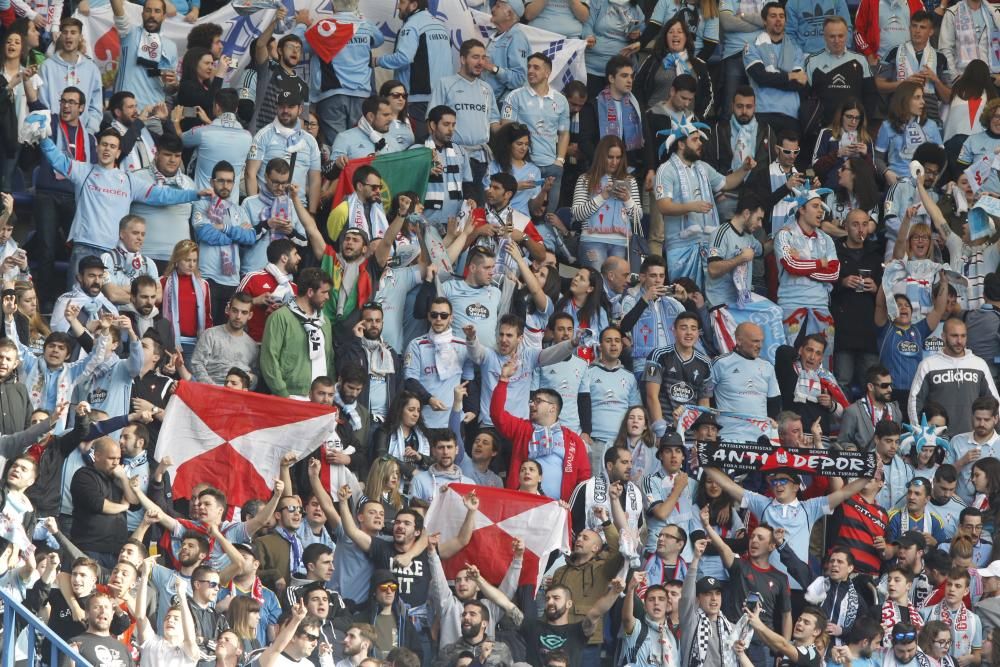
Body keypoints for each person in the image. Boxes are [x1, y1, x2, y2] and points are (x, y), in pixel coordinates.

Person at [37, 127, 205, 284]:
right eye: (104, 144)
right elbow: (57, 160)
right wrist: (43, 137)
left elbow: (162, 195)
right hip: (84, 248)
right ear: (97, 148)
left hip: (114, 253)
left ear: (118, 153)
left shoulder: (129, 180)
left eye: (112, 146)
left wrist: (194, 194)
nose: (107, 149)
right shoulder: (83, 171)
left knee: (110, 307)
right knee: (77, 301)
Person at [655, 116, 755, 288]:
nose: (700, 143)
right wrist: (691, 207)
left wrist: (744, 169)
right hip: (681, 246)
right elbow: (663, 206)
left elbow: (727, 183)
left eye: (700, 139)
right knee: (685, 295)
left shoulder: (702, 167)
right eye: (694, 140)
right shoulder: (666, 170)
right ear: (681, 144)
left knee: (709, 298)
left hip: (708, 243)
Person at [493, 356, 591, 501]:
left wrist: (573, 510)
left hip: (557, 510)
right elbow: (497, 415)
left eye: (538, 401)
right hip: (521, 506)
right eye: (532, 401)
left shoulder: (573, 440)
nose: (532, 404)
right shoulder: (522, 428)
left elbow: (584, 480)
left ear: (553, 408)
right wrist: (503, 380)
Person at [774, 187, 840, 364]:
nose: (820, 211)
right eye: (816, 206)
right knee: (790, 363)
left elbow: (834, 273)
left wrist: (802, 264)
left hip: (821, 308)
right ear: (801, 209)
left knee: (822, 365)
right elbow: (790, 266)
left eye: (822, 208)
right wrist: (820, 263)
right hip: (791, 307)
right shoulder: (784, 235)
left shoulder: (826, 239)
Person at [500, 52, 569, 213]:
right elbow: (506, 130)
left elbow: (564, 133)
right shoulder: (514, 96)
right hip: (524, 166)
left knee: (547, 216)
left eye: (536, 67)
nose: (530, 70)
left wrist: (559, 160)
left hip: (551, 166)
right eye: (529, 67)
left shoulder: (561, 100)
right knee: (520, 213)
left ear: (547, 72)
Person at [373, 0, 453, 137]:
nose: (398, 6)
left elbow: (403, 58)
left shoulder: (411, 26)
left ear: (414, 5)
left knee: (417, 145)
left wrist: (377, 60)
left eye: (402, 2)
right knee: (435, 146)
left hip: (417, 99)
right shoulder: (441, 26)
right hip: (441, 96)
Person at [309, 0, 384, 145]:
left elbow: (299, 44)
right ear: (356, 5)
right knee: (360, 147)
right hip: (362, 96)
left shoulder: (325, 27)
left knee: (338, 149)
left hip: (332, 96)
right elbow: (379, 40)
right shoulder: (366, 26)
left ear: (332, 5)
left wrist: (301, 24)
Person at [909, 318, 999, 434]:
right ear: (943, 336)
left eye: (963, 336)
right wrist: (920, 432)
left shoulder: (979, 364)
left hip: (971, 438)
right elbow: (915, 400)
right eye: (954, 336)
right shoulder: (928, 365)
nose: (959, 341)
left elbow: (994, 402)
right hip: (938, 437)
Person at [191, 160, 256, 318]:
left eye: (229, 181)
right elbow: (204, 234)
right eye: (220, 181)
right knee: (207, 328)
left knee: (227, 331)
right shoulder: (201, 205)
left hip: (232, 280)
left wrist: (225, 228)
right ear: (212, 182)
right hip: (209, 278)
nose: (225, 185)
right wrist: (236, 235)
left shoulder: (238, 210)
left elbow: (251, 238)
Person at [246, 87, 321, 216]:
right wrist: (255, 208)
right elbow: (250, 174)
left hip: (298, 209)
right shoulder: (263, 135)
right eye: (281, 106)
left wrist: (312, 214)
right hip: (266, 208)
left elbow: (315, 179)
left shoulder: (310, 141)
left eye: (290, 107)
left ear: (300, 110)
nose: (285, 111)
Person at [260, 267, 335, 398]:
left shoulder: (325, 321)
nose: (328, 297)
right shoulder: (280, 317)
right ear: (310, 292)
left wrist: (329, 395)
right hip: (292, 396)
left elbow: (330, 360)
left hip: (321, 399)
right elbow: (269, 360)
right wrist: (283, 394)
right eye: (324, 292)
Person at [571, 136, 641, 272]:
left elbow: (637, 217)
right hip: (592, 240)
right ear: (601, 156)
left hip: (621, 242)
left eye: (618, 157)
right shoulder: (585, 179)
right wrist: (602, 196)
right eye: (610, 157)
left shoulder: (630, 180)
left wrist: (627, 199)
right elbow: (577, 214)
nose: (614, 162)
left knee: (616, 285)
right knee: (597, 283)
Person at [875, 11, 952, 123]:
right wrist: (903, 84)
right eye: (914, 26)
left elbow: (948, 98)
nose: (917, 31)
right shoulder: (894, 52)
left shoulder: (940, 57)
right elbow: (879, 85)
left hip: (930, 117)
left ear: (931, 32)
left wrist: (936, 80)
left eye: (922, 27)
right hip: (899, 115)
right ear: (909, 28)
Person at [709, 322, 781, 441]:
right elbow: (706, 397)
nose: (760, 345)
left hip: (761, 439)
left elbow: (774, 403)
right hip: (729, 436)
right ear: (739, 341)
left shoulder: (768, 367)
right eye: (755, 341)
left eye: (761, 341)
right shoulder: (721, 363)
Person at [178, 88, 253, 203]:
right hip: (230, 208)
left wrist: (175, 120)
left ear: (217, 107)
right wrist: (209, 122)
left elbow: (180, 139)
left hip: (202, 205)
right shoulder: (248, 137)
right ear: (236, 109)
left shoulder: (203, 133)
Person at [743, 2, 806, 135]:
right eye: (773, 16)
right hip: (763, 112)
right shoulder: (752, 46)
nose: (778, 20)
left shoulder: (795, 49)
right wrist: (789, 75)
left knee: (789, 155)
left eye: (781, 16)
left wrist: (772, 77)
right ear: (764, 21)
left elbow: (797, 84)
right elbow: (760, 77)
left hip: (791, 114)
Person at [804, 17, 878, 129]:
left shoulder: (861, 60)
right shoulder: (812, 61)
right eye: (832, 36)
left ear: (847, 35)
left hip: (854, 127)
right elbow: (805, 96)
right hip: (823, 128)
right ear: (824, 36)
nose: (837, 40)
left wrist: (863, 122)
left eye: (840, 36)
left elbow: (870, 95)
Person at [38, 18, 102, 134]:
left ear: (80, 37)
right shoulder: (47, 66)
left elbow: (96, 105)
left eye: (73, 32)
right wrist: (51, 129)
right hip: (54, 133)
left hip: (83, 134)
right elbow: (43, 103)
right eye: (65, 32)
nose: (68, 36)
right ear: (60, 36)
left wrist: (89, 131)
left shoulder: (92, 69)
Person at [109, 0, 176, 109]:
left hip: (154, 113)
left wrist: (173, 84)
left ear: (164, 16)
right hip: (125, 111)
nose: (152, 15)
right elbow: (118, 12)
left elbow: (170, 90)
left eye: (157, 11)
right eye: (148, 10)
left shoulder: (171, 46)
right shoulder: (129, 33)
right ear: (142, 13)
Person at [876, 81, 945, 186]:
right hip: (897, 183)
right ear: (904, 100)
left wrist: (934, 178)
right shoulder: (887, 126)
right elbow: (877, 158)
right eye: (917, 97)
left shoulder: (931, 125)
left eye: (922, 97)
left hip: (924, 185)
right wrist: (887, 173)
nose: (923, 102)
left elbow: (942, 158)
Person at [418, 105, 473, 229]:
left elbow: (467, 182)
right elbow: (408, 184)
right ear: (433, 125)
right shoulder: (417, 151)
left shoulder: (460, 151)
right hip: (425, 223)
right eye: (446, 124)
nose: (451, 129)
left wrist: (470, 199)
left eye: (453, 125)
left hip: (455, 222)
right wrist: (426, 172)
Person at [238, 239, 300, 343]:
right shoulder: (253, 278)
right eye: (295, 254)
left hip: (283, 347)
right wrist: (255, 301)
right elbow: (229, 309)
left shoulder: (294, 288)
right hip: (252, 344)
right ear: (284, 258)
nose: (299, 257)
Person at [189, 292, 257, 387]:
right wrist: (214, 389)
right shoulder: (210, 334)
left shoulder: (253, 346)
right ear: (227, 310)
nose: (238, 316)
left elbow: (254, 377)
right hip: (210, 391)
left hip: (238, 396)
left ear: (250, 315)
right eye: (235, 310)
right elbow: (196, 364)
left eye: (244, 312)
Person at [946, 396, 1000, 503]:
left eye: (986, 420)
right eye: (978, 419)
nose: (981, 424)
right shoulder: (957, 441)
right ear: (972, 417)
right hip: (958, 506)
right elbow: (943, 475)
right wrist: (961, 462)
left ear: (996, 419)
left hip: (993, 510)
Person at [99, 215, 159, 307]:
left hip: (142, 319)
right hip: (114, 318)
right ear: (122, 234)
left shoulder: (148, 263)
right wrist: (143, 294)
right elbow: (113, 295)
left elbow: (158, 297)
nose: (140, 238)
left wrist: (122, 289)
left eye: (143, 234)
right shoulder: (107, 258)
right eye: (135, 233)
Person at [331, 95, 404, 163]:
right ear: (371, 116)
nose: (391, 119)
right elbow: (332, 173)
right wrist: (338, 164)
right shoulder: (344, 138)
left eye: (391, 114)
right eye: (385, 115)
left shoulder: (393, 141)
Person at [69, 592, 136, 667]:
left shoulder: (123, 649)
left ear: (112, 614)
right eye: (97, 607)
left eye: (106, 607)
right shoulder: (75, 644)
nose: (103, 611)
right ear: (87, 614)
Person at [483, 0, 530, 104]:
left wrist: (493, 68)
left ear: (509, 14)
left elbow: (519, 79)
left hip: (504, 104)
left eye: (498, 6)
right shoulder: (497, 35)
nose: (493, 9)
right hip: (488, 100)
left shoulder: (517, 38)